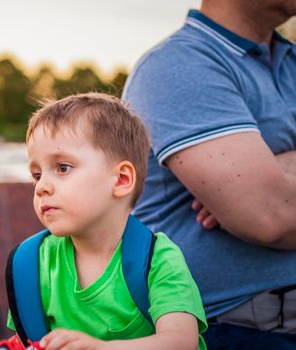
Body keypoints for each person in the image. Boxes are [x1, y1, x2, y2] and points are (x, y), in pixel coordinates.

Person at [122, 0, 296, 348]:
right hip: (234, 330)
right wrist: (269, 193)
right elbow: (273, 216)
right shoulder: (179, 66)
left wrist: (276, 167)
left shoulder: (291, 62)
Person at [5, 92, 207, 350]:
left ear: (121, 180)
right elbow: (26, 341)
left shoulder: (158, 260)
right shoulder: (32, 265)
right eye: (36, 174)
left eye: (62, 167)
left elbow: (180, 342)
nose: (42, 186)